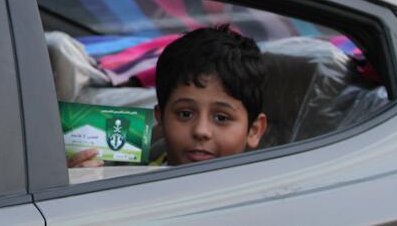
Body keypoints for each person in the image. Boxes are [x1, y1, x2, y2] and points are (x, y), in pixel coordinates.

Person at [68, 25, 268, 168]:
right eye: (185, 114)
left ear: (254, 130)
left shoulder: (267, 200)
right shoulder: (131, 182)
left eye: (221, 118)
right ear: (160, 118)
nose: (201, 131)